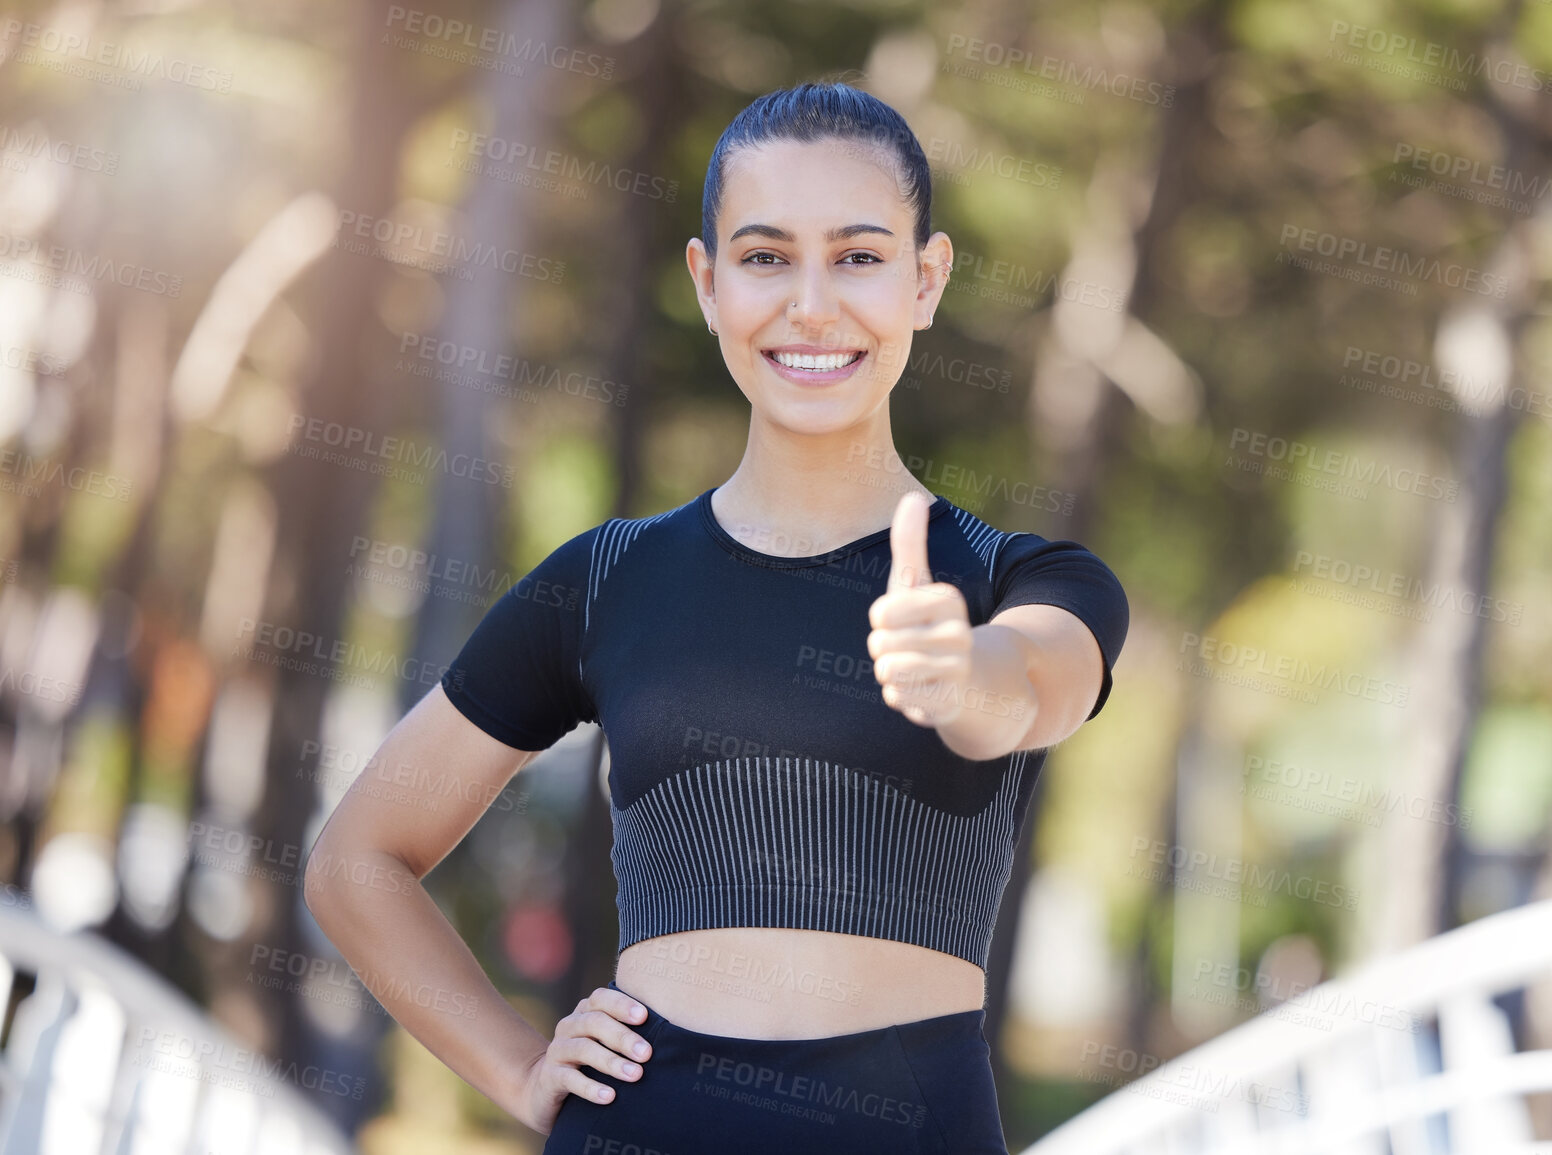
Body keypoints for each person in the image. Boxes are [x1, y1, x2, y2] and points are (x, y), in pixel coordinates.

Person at [303, 81, 1129, 1154]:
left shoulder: (1026, 581)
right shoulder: (604, 581)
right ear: (708, 281)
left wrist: (965, 677)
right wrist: (516, 1066)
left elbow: (1036, 686)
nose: (813, 305)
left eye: (862, 256)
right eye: (766, 256)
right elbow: (355, 860)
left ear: (927, 281)